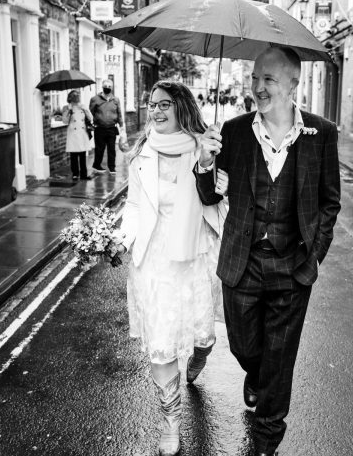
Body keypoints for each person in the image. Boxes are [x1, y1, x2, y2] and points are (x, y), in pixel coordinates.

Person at [195, 47, 341, 456]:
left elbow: (330, 201)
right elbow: (210, 195)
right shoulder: (235, 131)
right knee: (245, 347)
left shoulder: (321, 133)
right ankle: (255, 374)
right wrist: (205, 163)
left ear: (293, 85)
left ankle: (266, 437)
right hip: (242, 261)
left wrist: (315, 253)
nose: (258, 87)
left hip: (293, 264)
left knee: (281, 356)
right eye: (255, 77)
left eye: (269, 80)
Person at [115, 80, 229, 456]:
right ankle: (171, 422)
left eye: (165, 104)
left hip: (194, 256)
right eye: (152, 104)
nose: (156, 111)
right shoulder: (141, 152)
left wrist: (208, 162)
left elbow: (218, 200)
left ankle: (200, 355)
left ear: (182, 107)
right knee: (162, 345)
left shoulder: (205, 146)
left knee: (203, 336)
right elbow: (133, 206)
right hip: (154, 261)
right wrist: (120, 239)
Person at [89, 79, 123, 174]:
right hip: (100, 128)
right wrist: (98, 118)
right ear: (102, 87)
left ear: (112, 88)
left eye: (109, 86)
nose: (107, 88)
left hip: (112, 128)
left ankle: (112, 167)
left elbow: (119, 113)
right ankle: (97, 165)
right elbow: (91, 110)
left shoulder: (115, 100)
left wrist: (122, 125)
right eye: (106, 86)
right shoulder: (95, 99)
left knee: (111, 149)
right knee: (100, 148)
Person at [63, 90, 93, 181]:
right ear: (70, 98)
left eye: (78, 95)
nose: (77, 97)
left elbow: (90, 118)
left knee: (83, 155)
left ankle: (84, 174)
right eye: (75, 96)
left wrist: (85, 109)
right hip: (73, 133)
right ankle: (75, 174)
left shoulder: (82, 107)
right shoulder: (66, 107)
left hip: (82, 133)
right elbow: (64, 121)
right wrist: (69, 111)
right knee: (74, 155)